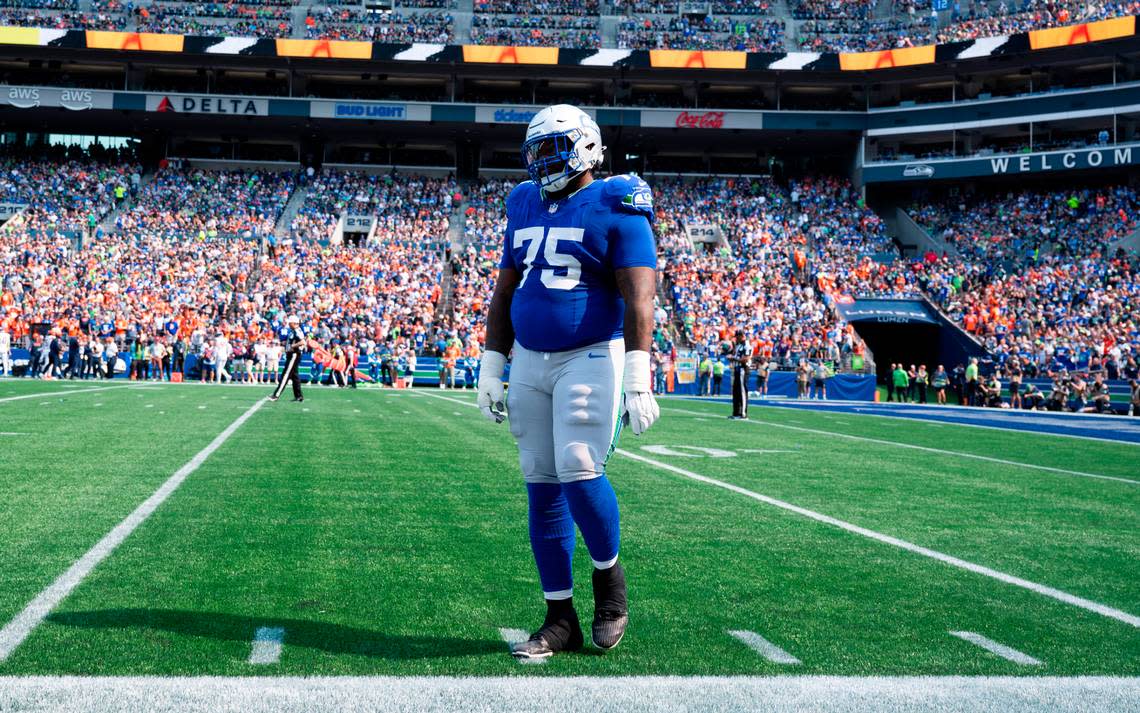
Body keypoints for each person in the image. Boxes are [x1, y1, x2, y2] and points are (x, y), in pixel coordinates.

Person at [477, 104, 658, 661]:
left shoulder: (617, 199)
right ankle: (560, 618)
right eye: (536, 151)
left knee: (580, 468)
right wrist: (492, 362)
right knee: (540, 481)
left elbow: (639, 294)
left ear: (585, 147)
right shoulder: (523, 200)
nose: (542, 162)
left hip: (589, 353)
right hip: (530, 356)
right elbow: (506, 289)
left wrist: (638, 373)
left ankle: (610, 585)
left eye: (553, 149)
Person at [269, 315, 306, 402]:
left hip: (294, 354)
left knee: (285, 375)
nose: (289, 324)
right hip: (292, 354)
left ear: (294, 323)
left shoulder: (297, 331)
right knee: (295, 376)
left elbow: (302, 342)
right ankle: (299, 396)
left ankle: (276, 395)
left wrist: (293, 345)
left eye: (290, 322)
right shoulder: (293, 331)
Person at [731, 331, 752, 418]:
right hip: (737, 369)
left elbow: (746, 359)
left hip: (743, 368)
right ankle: (736, 413)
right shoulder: (739, 345)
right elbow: (735, 354)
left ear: (741, 336)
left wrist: (734, 359)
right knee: (736, 392)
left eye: (737, 337)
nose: (736, 338)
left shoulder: (747, 345)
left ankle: (743, 413)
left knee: (742, 392)